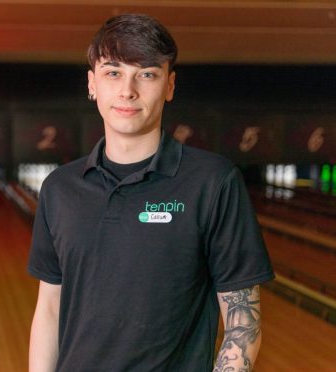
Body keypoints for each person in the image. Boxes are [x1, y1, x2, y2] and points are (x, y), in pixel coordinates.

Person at [27, 14, 274, 371]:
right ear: (92, 84)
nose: (128, 90)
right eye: (113, 73)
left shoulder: (213, 181)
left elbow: (243, 323)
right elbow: (49, 309)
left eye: (146, 74)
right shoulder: (59, 189)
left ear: (169, 86)